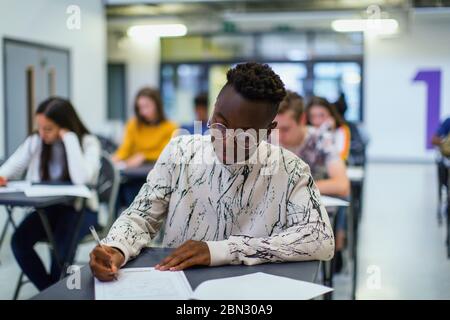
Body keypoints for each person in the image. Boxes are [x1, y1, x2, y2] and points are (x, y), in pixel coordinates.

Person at [89, 62, 335, 281]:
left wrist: (220, 250)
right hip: (180, 287)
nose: (227, 140)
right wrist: (117, 247)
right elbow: (142, 216)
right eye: (221, 123)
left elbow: (320, 239)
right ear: (213, 108)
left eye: (245, 133)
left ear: (268, 130)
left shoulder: (290, 169)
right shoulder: (181, 152)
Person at [0, 97, 100, 291]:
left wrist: (69, 139)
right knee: (19, 242)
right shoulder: (36, 140)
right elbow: (8, 169)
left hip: (80, 211)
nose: (42, 133)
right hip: (48, 210)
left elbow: (82, 179)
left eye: (48, 129)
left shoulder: (88, 142)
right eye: (39, 127)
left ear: (65, 127)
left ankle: (53, 293)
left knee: (60, 254)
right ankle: (50, 292)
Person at [274, 91, 350, 272]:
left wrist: (297, 187)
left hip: (310, 218)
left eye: (285, 129)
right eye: (274, 127)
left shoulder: (320, 139)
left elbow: (342, 185)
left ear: (302, 121)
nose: (279, 135)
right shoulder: (270, 139)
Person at [112, 87, 178, 210]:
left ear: (157, 105)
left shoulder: (170, 127)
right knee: (118, 188)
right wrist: (114, 159)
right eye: (140, 107)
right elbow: (125, 148)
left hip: (156, 175)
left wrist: (143, 156)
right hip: (133, 174)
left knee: (135, 191)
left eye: (146, 106)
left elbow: (166, 151)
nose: (143, 112)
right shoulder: (133, 125)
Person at [306, 96, 351, 162]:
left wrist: (328, 131)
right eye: (313, 116)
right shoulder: (305, 130)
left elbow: (341, 158)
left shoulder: (341, 130)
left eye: (322, 115)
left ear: (330, 114)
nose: (317, 121)